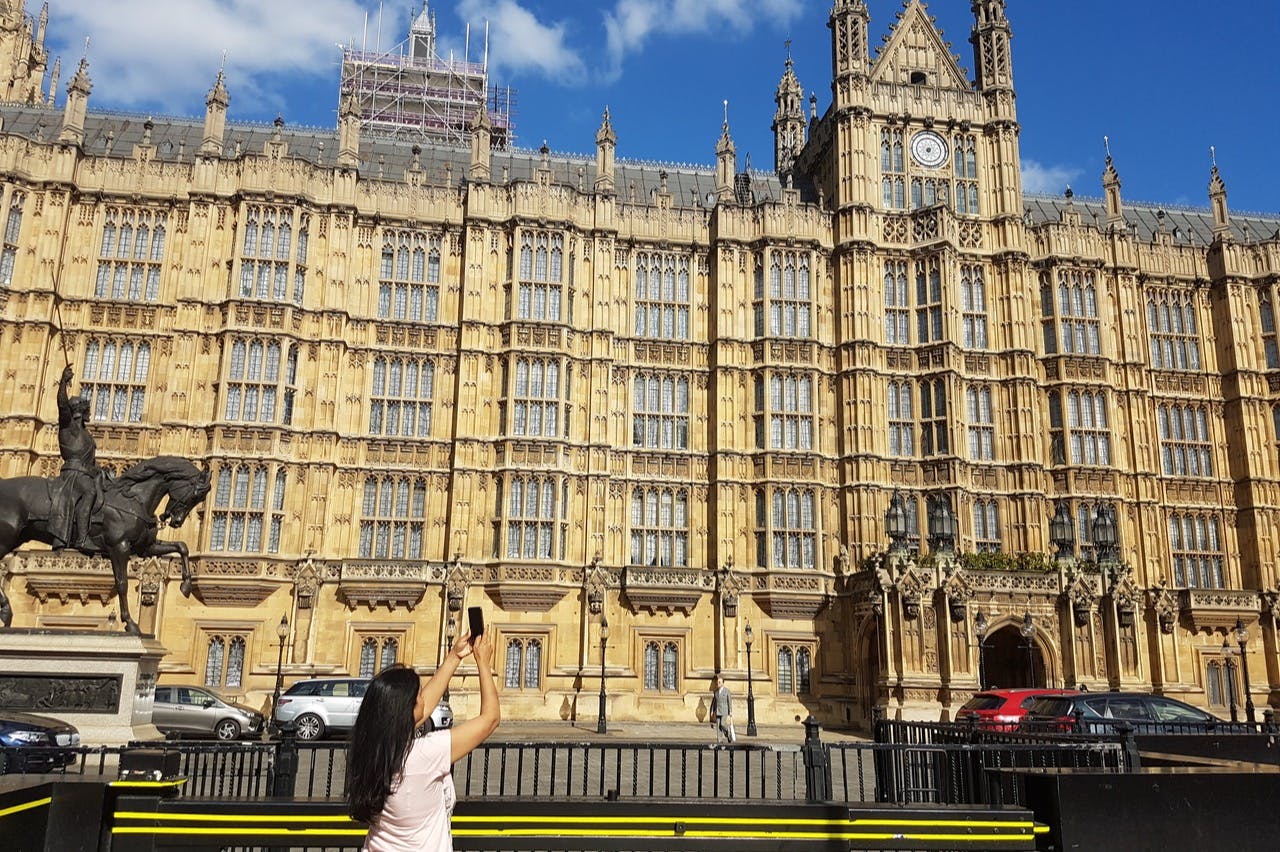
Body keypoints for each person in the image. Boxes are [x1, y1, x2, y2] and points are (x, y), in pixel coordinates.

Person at [347, 631, 500, 852]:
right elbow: (490, 719)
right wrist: (483, 663)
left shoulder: (372, 749)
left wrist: (454, 657)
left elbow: (423, 708)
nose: (423, 700)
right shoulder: (424, 754)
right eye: (418, 696)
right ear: (405, 710)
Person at [52, 364, 104, 552]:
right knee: (89, 492)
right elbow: (62, 406)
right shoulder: (69, 427)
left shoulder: (84, 433)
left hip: (86, 472)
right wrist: (63, 383)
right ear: (81, 411)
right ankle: (82, 538)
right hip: (73, 473)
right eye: (88, 409)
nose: (90, 412)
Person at [710, 674, 735, 745]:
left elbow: (729, 701)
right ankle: (720, 740)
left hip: (724, 711)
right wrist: (712, 711)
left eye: (719, 682)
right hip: (718, 710)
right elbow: (713, 702)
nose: (718, 684)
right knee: (718, 727)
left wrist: (730, 711)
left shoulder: (727, 691)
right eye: (717, 682)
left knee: (722, 724)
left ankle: (728, 733)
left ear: (723, 683)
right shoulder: (716, 692)